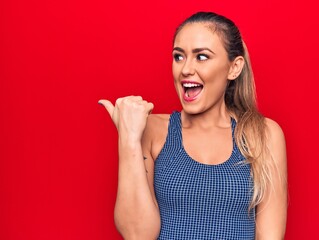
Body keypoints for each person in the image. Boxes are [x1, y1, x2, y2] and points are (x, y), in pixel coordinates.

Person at [98, 11, 287, 240]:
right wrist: (128, 139)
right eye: (179, 57)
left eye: (202, 57)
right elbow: (137, 234)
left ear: (234, 68)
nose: (185, 69)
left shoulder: (263, 134)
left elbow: (270, 235)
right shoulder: (153, 129)